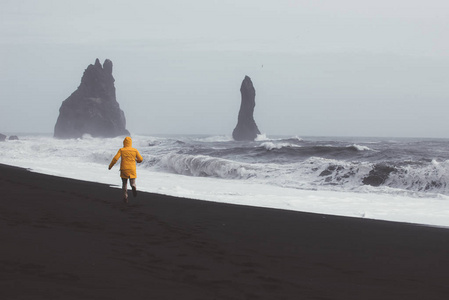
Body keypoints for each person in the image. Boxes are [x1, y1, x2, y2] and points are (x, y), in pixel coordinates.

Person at [108, 136, 143, 203]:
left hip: (124, 169)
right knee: (132, 183)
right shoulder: (135, 150)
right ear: (131, 143)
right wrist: (137, 160)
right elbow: (141, 159)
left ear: (124, 143)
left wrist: (110, 166)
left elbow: (115, 159)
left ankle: (125, 197)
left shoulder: (121, 150)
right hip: (132, 169)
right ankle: (133, 187)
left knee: (124, 184)